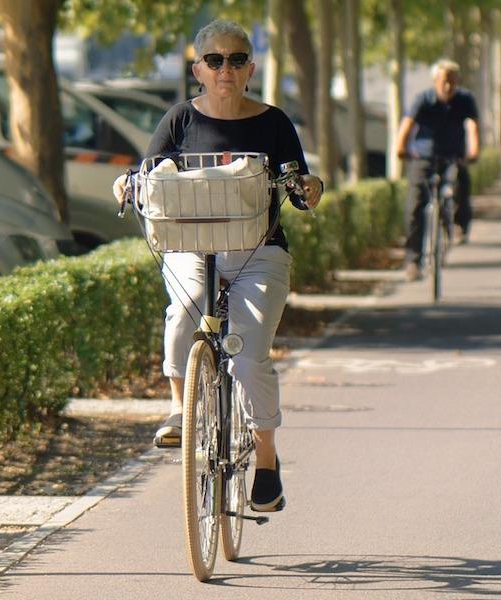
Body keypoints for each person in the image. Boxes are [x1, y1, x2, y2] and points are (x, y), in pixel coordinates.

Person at [130, 19, 323, 512]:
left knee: (250, 354)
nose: (225, 69)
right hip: (192, 248)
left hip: (258, 252)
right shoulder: (179, 121)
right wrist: (125, 185)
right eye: (214, 60)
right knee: (185, 307)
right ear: (198, 69)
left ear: (250, 69)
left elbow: (299, 186)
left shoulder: (274, 123)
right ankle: (178, 409)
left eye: (236, 59)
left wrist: (309, 188)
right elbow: (146, 176)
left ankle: (265, 460)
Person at [394, 59, 480, 281]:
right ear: (435, 81)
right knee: (415, 204)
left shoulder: (465, 100)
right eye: (444, 81)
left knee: (462, 182)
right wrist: (401, 147)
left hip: (453, 156)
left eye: (452, 81)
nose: (448, 86)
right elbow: (407, 125)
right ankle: (413, 260)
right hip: (424, 157)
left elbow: (472, 127)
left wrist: (473, 150)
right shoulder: (423, 100)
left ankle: (460, 224)